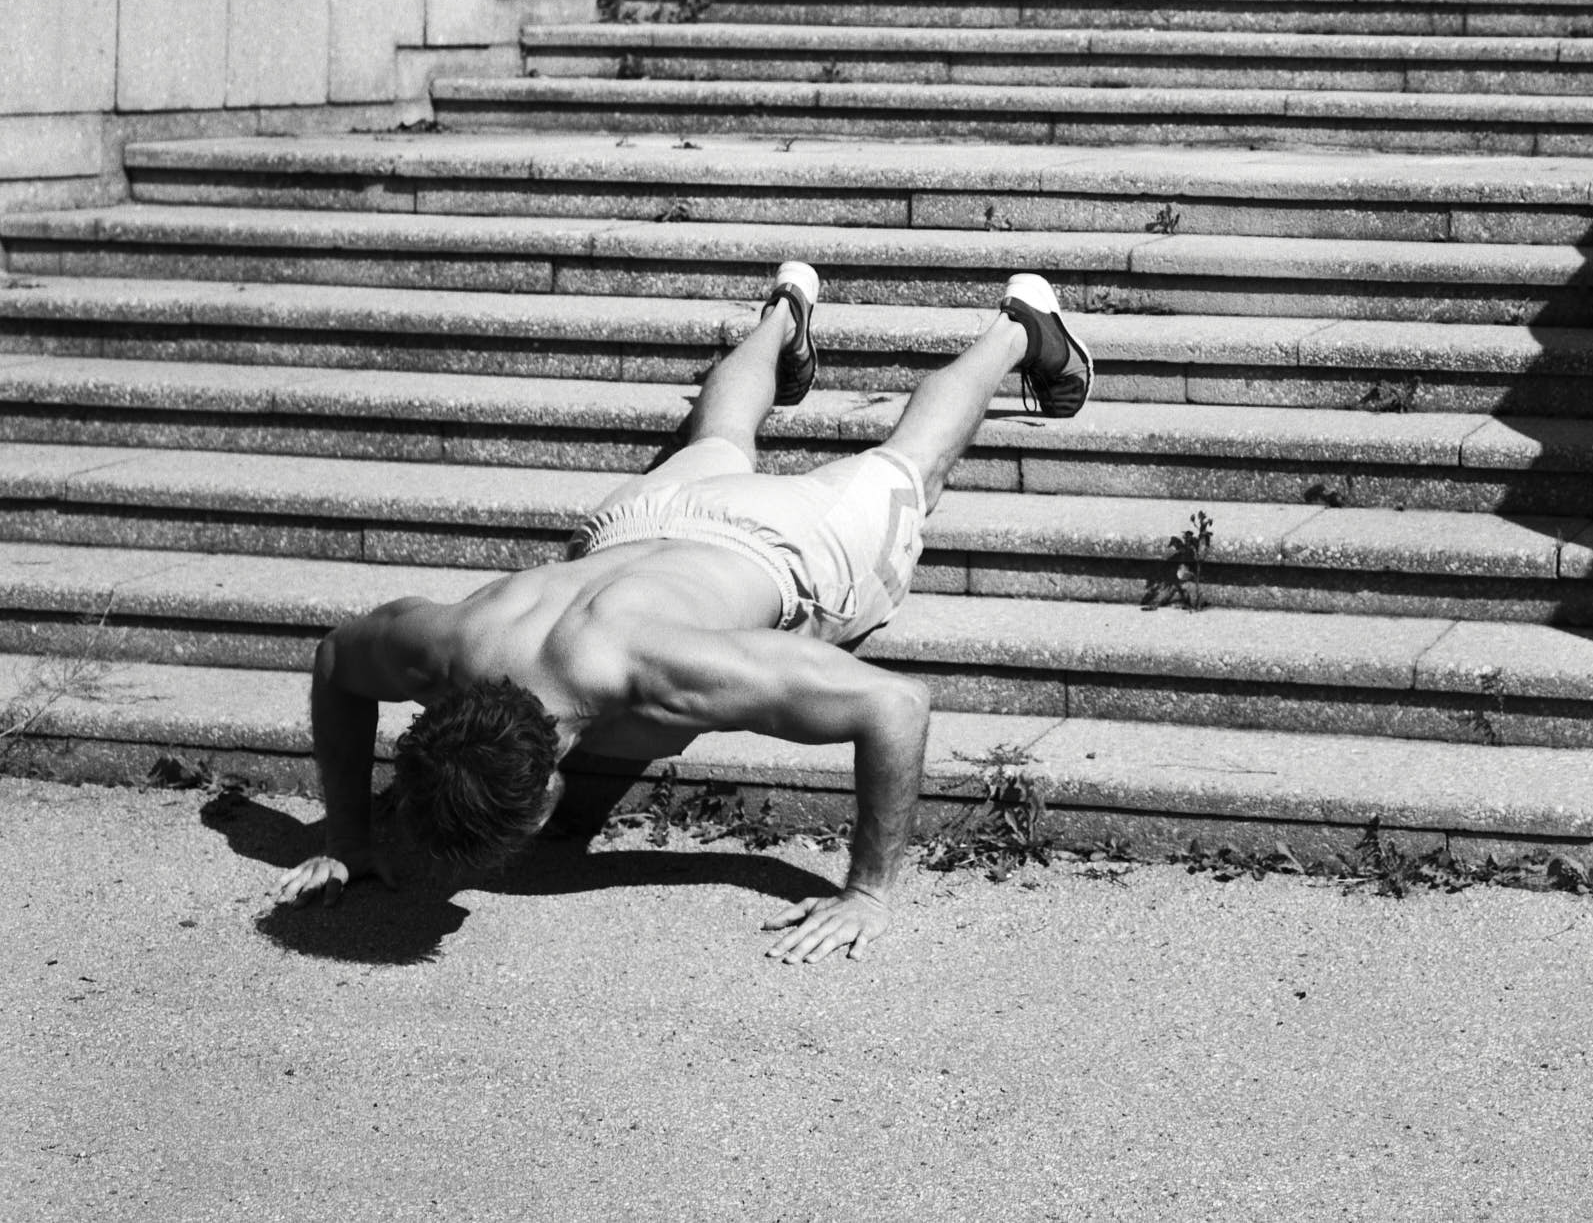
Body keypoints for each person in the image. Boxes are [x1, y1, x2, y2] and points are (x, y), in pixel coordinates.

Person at [272, 265, 1094, 963]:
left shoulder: (659, 675)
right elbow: (339, 660)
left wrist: (867, 893)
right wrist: (346, 837)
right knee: (724, 432)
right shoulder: (449, 645)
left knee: (911, 465)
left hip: (780, 544)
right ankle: (785, 312)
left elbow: (895, 705)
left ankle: (1023, 325)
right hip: (638, 523)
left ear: (552, 794)